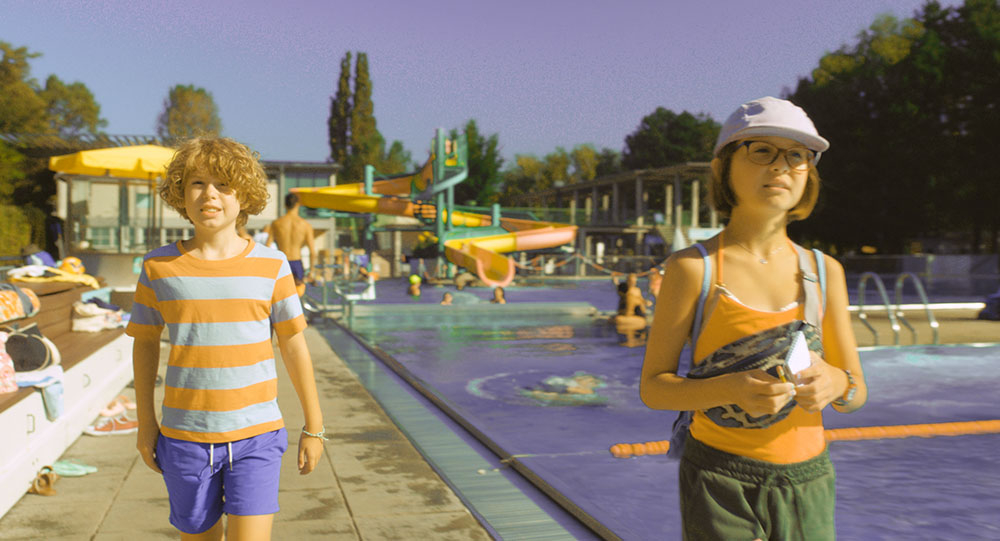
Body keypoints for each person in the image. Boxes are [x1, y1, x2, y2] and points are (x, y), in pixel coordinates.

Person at [639, 97, 866, 540]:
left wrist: (834, 383)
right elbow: (654, 388)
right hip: (719, 479)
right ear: (724, 168)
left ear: (808, 173)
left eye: (797, 155)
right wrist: (731, 389)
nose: (781, 166)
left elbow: (855, 390)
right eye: (762, 150)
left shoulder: (824, 273)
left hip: (809, 481)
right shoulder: (694, 269)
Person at [126, 137, 325, 541]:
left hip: (257, 435)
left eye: (223, 184)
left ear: (245, 195)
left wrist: (314, 426)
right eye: (197, 183)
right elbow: (144, 343)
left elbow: (293, 344)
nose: (210, 194)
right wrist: (146, 423)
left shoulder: (272, 264)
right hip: (185, 438)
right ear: (181, 194)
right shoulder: (159, 266)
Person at [267, 193, 316, 297]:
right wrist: (312, 271)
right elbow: (312, 252)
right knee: (297, 296)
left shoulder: (276, 223)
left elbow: (267, 246)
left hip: (281, 262)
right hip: (296, 262)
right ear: (298, 204)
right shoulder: (306, 225)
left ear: (285, 205)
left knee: (280, 296)